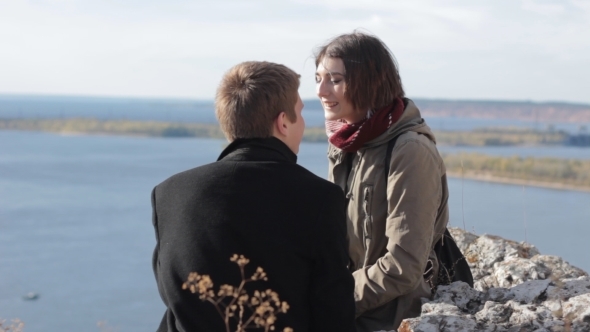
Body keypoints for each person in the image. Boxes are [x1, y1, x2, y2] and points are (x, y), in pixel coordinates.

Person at [151, 61, 356, 332]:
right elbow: (333, 314)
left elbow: (174, 303)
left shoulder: (168, 194)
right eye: (300, 112)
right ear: (283, 122)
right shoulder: (319, 198)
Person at [315, 32, 450, 331]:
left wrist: (328, 300)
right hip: (350, 305)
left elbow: (404, 266)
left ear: (369, 83)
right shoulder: (346, 141)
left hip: (391, 315)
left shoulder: (409, 150)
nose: (321, 91)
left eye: (334, 80)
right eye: (318, 77)